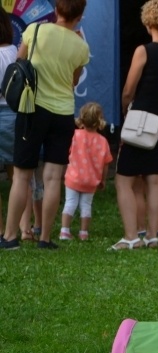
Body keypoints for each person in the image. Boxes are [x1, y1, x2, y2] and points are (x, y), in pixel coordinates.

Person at [0, 0, 89, 250]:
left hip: (32, 110)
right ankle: (46, 238)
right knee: (52, 178)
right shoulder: (81, 47)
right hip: (63, 114)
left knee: (22, 175)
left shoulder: (35, 31)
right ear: (80, 15)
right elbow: (73, 81)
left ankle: (9, 237)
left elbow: (19, 63)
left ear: (57, 9)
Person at [112, 0, 158, 250]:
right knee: (154, 180)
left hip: (140, 123)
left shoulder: (143, 50)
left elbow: (128, 90)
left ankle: (131, 236)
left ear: (147, 22)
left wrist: (125, 108)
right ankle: (153, 236)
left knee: (124, 179)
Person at [59, 102, 112, 241]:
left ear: (82, 118)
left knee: (70, 202)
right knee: (86, 205)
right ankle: (83, 233)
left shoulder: (75, 135)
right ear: (100, 120)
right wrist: (103, 179)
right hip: (91, 180)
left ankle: (65, 231)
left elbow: (68, 153)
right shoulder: (103, 141)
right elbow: (106, 163)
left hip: (73, 178)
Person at [0, 9, 17, 237]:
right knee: (20, 177)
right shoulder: (16, 52)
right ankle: (21, 229)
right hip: (15, 115)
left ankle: (1, 228)